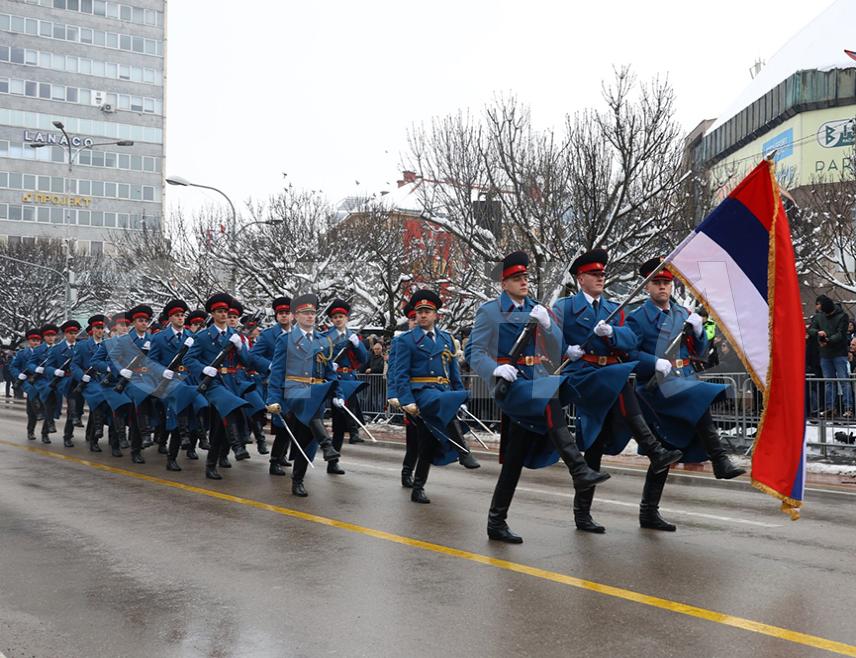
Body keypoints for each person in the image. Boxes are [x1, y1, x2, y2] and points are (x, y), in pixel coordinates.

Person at [467, 250, 609, 543]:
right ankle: (578, 467)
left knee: (515, 459)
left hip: (536, 383)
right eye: (516, 278)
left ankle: (496, 521)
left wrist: (547, 324)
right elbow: (474, 352)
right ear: (504, 283)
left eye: (525, 277)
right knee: (549, 397)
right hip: (513, 386)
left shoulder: (537, 308)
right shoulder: (490, 311)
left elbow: (557, 348)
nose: (524, 282)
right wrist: (497, 369)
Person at [552, 248, 683, 533]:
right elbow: (548, 339)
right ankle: (652, 448)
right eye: (594, 274)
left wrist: (611, 333)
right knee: (618, 384)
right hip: (583, 374)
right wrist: (566, 350)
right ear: (580, 278)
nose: (601, 278)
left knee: (596, 444)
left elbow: (629, 340)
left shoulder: (613, 308)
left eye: (602, 274)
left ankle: (582, 515)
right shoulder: (564, 307)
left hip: (609, 374)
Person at [620, 257, 746, 531]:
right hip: (656, 390)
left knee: (668, 448)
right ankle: (719, 458)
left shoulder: (681, 313)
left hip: (682, 383)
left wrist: (699, 331)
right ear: (647, 286)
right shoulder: (637, 318)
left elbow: (698, 352)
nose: (663, 287)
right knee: (694, 406)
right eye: (657, 283)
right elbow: (628, 353)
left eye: (667, 282)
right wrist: (653, 362)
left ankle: (648, 513)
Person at [388, 289, 472, 504]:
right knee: (421, 440)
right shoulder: (405, 340)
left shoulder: (446, 339)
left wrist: (458, 398)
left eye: (428, 311)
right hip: (421, 395)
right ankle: (462, 450)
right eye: (420, 312)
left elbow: (453, 373)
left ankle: (418, 487)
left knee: (426, 442)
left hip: (442, 394)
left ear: (436, 315)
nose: (423, 315)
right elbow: (399, 373)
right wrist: (405, 400)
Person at [265, 293, 342, 496]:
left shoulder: (322, 340)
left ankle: (298, 478)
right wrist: (273, 399)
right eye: (305, 313)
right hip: (294, 394)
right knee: (310, 422)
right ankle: (327, 445)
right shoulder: (286, 340)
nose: (310, 317)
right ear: (295, 316)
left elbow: (329, 372)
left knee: (305, 440)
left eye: (313, 313)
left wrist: (338, 393)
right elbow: (277, 372)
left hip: (315, 394)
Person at [185, 293, 254, 480]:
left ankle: (211, 463)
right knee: (229, 410)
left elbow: (248, 362)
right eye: (220, 311)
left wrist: (241, 348)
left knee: (219, 426)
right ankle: (238, 446)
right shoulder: (204, 336)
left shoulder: (235, 336)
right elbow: (188, 359)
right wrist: (204, 369)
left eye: (226, 311)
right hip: (213, 383)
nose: (224, 315)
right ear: (213, 314)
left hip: (232, 382)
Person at [323, 298, 369, 473]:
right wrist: (329, 364)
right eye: (335, 317)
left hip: (349, 377)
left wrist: (357, 345)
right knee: (339, 422)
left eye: (341, 316)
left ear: (346, 318)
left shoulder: (352, 335)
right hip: (335, 378)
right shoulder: (327, 336)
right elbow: (322, 355)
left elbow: (364, 359)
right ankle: (354, 432)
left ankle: (334, 461)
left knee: (341, 424)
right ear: (331, 320)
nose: (338, 319)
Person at [250, 296, 294, 476]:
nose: (284, 316)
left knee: (293, 422)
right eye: (281, 313)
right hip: (276, 383)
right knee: (283, 423)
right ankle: (274, 460)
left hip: (296, 383)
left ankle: (282, 454)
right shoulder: (268, 335)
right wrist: (270, 366)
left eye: (287, 313)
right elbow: (253, 356)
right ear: (276, 316)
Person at [809, 295, 853, 417]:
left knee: (843, 380)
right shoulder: (818, 316)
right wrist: (818, 333)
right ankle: (830, 407)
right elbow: (810, 329)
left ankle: (848, 407)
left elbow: (841, 334)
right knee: (829, 381)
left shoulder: (842, 316)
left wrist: (828, 339)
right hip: (825, 354)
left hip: (839, 353)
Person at [9, 328, 43, 441]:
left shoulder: (45, 353)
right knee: (31, 409)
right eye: (33, 340)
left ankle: (45, 432)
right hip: (27, 381)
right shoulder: (22, 353)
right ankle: (31, 430)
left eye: (38, 340)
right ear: (29, 341)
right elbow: (13, 366)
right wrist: (19, 375)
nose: (36, 343)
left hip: (41, 381)